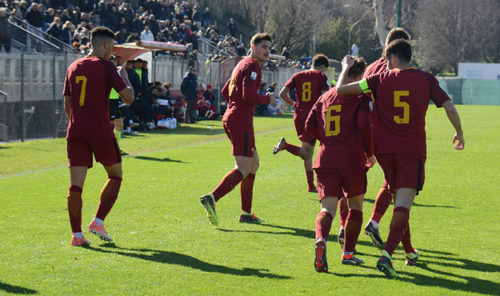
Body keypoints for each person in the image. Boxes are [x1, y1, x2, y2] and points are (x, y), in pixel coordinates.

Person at [336, 40, 465, 278]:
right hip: (411, 150)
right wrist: (459, 132)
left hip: (385, 152)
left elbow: (342, 90)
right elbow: (449, 107)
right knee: (404, 205)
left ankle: (409, 252)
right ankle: (386, 256)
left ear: (392, 59)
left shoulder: (377, 80)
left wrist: (346, 68)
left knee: (398, 202)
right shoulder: (426, 79)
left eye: (386, 61)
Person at [63, 26, 134, 246]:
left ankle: (77, 235)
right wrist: (124, 75)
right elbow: (129, 97)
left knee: (75, 185)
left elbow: (67, 105)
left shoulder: (73, 66)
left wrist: (79, 122)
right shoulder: (106, 67)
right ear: (104, 46)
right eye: (111, 47)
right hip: (101, 131)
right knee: (115, 175)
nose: (112, 51)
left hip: (75, 131)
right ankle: (98, 221)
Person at [305, 57, 375, 272]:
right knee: (355, 206)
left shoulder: (325, 96)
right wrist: (370, 153)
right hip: (352, 158)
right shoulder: (360, 96)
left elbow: (309, 126)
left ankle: (321, 240)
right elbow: (364, 126)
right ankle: (348, 253)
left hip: (326, 157)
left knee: (327, 208)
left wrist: (327, 139)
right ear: (360, 75)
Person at [200, 33, 276, 225]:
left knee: (253, 164)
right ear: (253, 46)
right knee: (242, 168)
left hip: (234, 117)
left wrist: (236, 106)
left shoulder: (241, 64)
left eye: (269, 48)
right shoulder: (252, 66)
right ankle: (212, 198)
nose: (267, 51)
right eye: (264, 47)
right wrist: (268, 98)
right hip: (240, 120)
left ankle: (246, 213)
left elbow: (227, 91)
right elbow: (249, 95)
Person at [363, 28, 412, 248]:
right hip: (387, 133)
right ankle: (376, 225)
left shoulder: (371, 67)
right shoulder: (394, 70)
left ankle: (348, 227)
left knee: (355, 182)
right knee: (399, 187)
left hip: (364, 129)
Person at [273, 54, 330, 192]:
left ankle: (311, 185)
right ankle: (285, 145)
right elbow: (324, 96)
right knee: (315, 151)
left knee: (307, 151)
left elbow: (282, 93)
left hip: (298, 116)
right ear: (322, 66)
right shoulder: (321, 76)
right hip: (312, 117)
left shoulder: (298, 75)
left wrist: (294, 104)